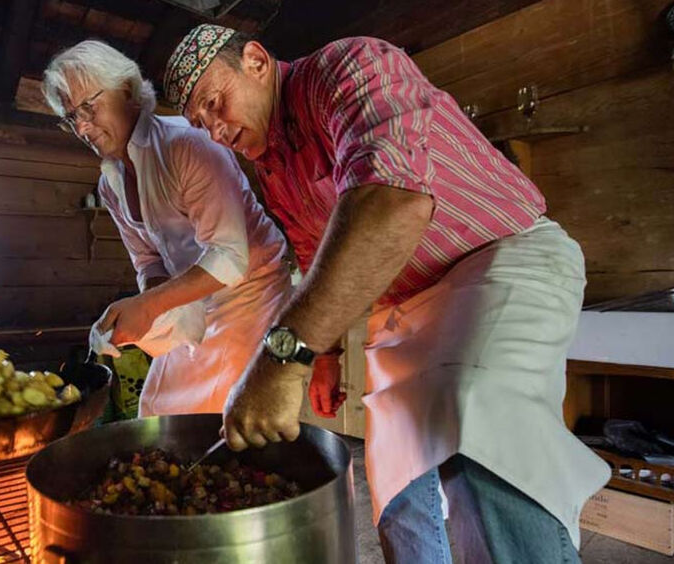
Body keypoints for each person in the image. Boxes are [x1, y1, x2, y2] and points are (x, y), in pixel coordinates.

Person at [164, 24, 609, 563]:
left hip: (502, 258)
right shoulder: (272, 166)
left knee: (481, 427)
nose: (215, 130)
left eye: (216, 103)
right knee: (397, 481)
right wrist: (325, 356)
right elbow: (312, 250)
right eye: (200, 122)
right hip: (405, 309)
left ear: (256, 61)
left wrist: (284, 358)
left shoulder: (349, 67)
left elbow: (393, 199)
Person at [42, 40, 293, 417]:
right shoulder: (110, 183)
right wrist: (156, 314)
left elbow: (230, 256)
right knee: (155, 409)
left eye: (88, 107)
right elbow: (148, 261)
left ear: (126, 90)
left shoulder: (186, 145)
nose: (80, 126)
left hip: (251, 296)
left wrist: (149, 305)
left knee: (224, 417)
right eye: (70, 117)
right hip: (190, 301)